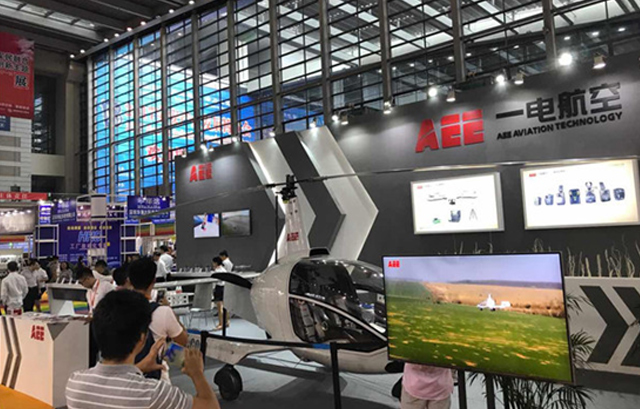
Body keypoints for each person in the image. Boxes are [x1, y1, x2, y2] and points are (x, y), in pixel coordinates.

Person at [65, 290, 220, 409]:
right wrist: (197, 373)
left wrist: (139, 368)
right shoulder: (153, 393)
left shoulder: (75, 383)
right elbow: (211, 406)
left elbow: (112, 387)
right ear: (142, 339)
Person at [128, 257, 188, 345]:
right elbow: (183, 340)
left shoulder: (116, 307)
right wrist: (170, 309)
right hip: (152, 353)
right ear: (154, 280)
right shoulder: (163, 312)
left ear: (129, 280)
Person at [77, 265, 116, 367]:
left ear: (87, 278)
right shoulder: (88, 292)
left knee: (105, 350)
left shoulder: (105, 287)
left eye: (82, 282)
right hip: (93, 323)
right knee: (92, 349)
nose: (82, 285)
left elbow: (114, 305)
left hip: (105, 323)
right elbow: (91, 308)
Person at [211, 257, 229, 330]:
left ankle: (221, 324)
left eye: (213, 263)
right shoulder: (224, 269)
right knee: (225, 306)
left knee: (219, 307)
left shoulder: (217, 271)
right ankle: (227, 322)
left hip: (219, 288)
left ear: (216, 263)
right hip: (225, 287)